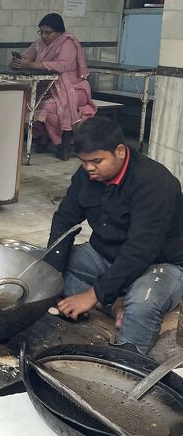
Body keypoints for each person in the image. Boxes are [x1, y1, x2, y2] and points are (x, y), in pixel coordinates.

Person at [44, 116, 183, 354]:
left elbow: (141, 250)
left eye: (97, 161)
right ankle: (113, 304)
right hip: (104, 255)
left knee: (142, 304)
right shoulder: (86, 175)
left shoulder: (155, 183)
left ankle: (124, 367)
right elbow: (65, 219)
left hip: (159, 264)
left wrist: (93, 294)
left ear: (120, 151)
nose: (89, 168)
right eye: (84, 161)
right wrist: (50, 272)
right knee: (42, 269)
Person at [11, 13, 96, 159]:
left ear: (59, 32)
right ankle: (41, 136)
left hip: (73, 89)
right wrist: (18, 62)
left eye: (47, 32)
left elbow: (62, 65)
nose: (43, 35)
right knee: (23, 103)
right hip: (48, 88)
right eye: (41, 32)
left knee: (48, 108)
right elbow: (26, 57)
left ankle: (59, 143)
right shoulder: (40, 43)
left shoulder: (67, 43)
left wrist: (31, 65)